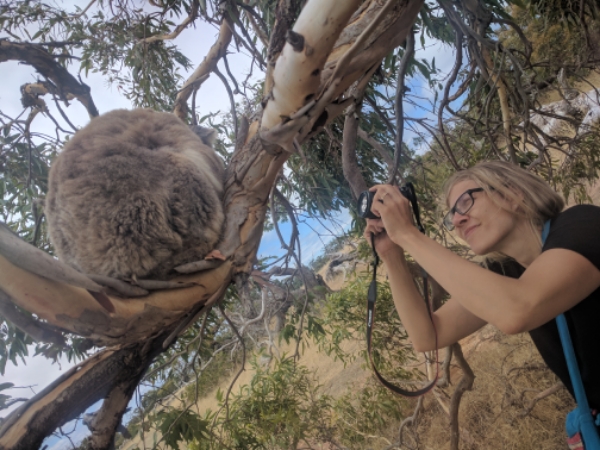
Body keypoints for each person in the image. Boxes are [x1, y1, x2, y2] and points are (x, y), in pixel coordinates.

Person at [364, 160, 600, 408]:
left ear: (512, 194)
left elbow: (518, 309)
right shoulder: (506, 272)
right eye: (452, 215)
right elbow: (428, 336)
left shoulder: (583, 224)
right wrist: (391, 253)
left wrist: (407, 233)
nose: (457, 220)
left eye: (466, 201)